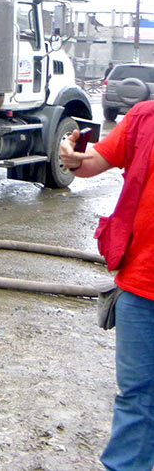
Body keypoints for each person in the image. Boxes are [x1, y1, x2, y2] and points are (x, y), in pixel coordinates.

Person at [60, 101, 154, 470]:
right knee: (136, 398)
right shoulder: (144, 118)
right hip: (141, 288)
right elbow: (93, 161)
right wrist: (73, 157)